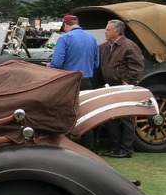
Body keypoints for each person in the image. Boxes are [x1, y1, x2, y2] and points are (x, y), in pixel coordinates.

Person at [48, 14, 101, 150]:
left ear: (66, 25)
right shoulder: (92, 38)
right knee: (86, 113)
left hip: (69, 82)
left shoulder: (64, 38)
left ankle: (66, 146)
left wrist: (48, 66)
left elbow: (57, 63)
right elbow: (96, 63)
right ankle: (89, 147)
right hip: (87, 81)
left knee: (66, 113)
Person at [99, 19, 144, 158]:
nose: (105, 32)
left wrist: (127, 81)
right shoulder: (106, 46)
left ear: (117, 31)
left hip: (124, 87)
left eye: (108, 29)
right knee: (111, 118)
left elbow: (137, 65)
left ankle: (126, 149)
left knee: (126, 119)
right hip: (110, 87)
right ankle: (115, 147)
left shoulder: (128, 45)